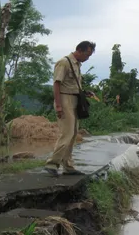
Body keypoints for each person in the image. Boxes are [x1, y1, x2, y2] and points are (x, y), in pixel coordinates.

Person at [44, 41, 96, 177]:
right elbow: (56, 84)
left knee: (72, 134)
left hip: (74, 100)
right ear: (79, 50)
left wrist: (84, 93)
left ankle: (68, 166)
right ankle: (52, 163)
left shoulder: (77, 65)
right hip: (64, 99)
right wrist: (59, 105)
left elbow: (72, 85)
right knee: (66, 133)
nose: (87, 58)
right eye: (87, 54)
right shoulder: (64, 62)